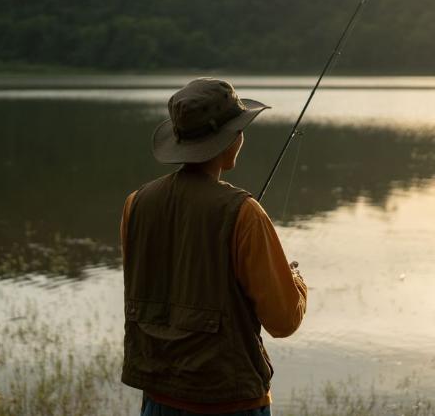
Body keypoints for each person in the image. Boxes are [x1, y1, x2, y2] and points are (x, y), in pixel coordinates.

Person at [120, 77, 307, 415]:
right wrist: (296, 283)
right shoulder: (244, 213)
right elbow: (283, 321)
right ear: (230, 140)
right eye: (239, 129)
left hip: (158, 398)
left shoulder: (136, 204)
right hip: (231, 403)